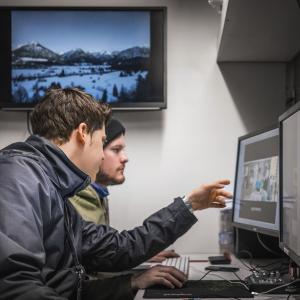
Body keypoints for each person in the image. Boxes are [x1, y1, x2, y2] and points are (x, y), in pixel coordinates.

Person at [0, 87, 232, 300]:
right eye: (102, 143)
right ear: (82, 133)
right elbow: (16, 288)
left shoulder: (54, 191)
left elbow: (116, 249)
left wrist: (188, 205)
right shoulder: (17, 178)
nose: (101, 156)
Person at [69, 118, 179, 263]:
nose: (125, 158)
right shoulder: (80, 196)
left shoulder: (96, 193)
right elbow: (90, 275)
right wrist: (132, 281)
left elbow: (100, 257)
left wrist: (141, 257)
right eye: (116, 150)